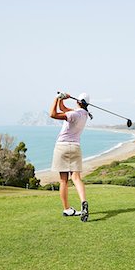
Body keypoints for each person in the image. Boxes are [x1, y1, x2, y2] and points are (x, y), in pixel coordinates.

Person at [50, 92, 92, 222]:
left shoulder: (73, 114)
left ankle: (67, 209)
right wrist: (62, 99)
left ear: (78, 101)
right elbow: (63, 109)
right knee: (76, 177)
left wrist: (56, 98)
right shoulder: (84, 115)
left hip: (62, 147)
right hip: (75, 147)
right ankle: (83, 202)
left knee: (63, 180)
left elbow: (53, 114)